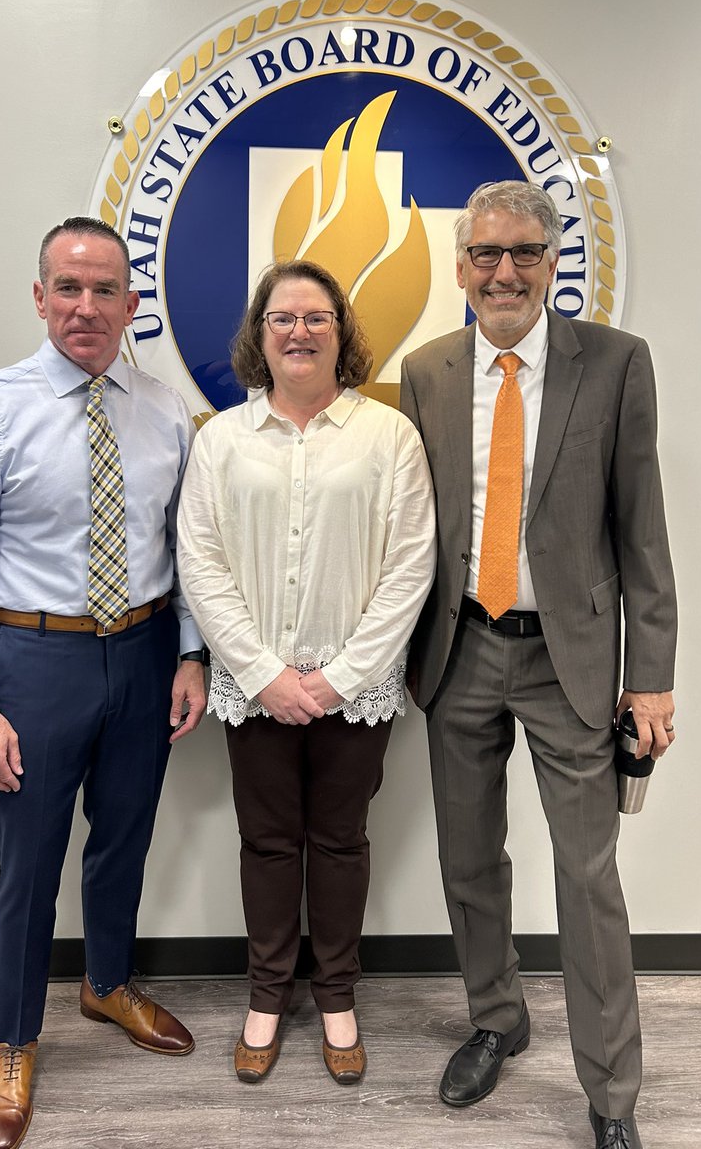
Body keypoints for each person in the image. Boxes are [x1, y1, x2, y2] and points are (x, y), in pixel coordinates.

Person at [400, 181, 677, 1149]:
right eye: (485, 254)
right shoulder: (427, 369)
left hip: (574, 661)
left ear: (554, 261)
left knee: (587, 874)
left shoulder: (614, 363)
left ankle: (612, 1094)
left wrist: (650, 673)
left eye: (523, 253)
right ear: (461, 265)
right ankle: (496, 1018)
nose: (503, 271)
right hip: (460, 649)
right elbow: (412, 531)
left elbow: (642, 526)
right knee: (470, 860)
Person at [0, 216, 206, 1149]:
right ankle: (12, 1040)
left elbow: (187, 549)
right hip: (34, 662)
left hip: (145, 648)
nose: (86, 308)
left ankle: (108, 983)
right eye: (67, 288)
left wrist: (192, 653)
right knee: (30, 862)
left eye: (104, 290)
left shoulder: (165, 412)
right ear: (39, 296)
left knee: (124, 838)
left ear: (132, 304)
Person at [177, 259, 435, 1086]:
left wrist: (339, 678)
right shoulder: (221, 440)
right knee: (266, 842)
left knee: (341, 841)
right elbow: (201, 563)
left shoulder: (387, 436)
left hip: (355, 688)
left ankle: (335, 996)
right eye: (282, 317)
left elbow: (410, 567)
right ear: (259, 334)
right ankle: (265, 995)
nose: (298, 330)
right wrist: (262, 673)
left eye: (316, 317)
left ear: (340, 331)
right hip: (254, 688)